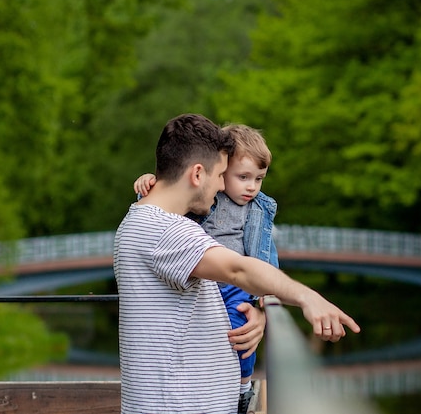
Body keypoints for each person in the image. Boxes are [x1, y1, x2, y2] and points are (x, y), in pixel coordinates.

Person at [114, 113, 360, 414]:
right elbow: (238, 269)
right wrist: (307, 297)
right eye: (221, 175)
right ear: (197, 174)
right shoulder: (166, 231)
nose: (221, 188)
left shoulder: (144, 222)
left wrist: (256, 313)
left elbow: (202, 300)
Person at [133, 123, 278, 413]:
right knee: (209, 338)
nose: (251, 186)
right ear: (219, 172)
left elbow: (266, 257)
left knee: (240, 332)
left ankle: (243, 386)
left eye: (259, 179)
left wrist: (266, 300)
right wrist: (150, 182)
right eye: (243, 177)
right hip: (205, 281)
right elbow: (166, 204)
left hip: (237, 285)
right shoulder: (205, 196)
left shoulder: (257, 209)